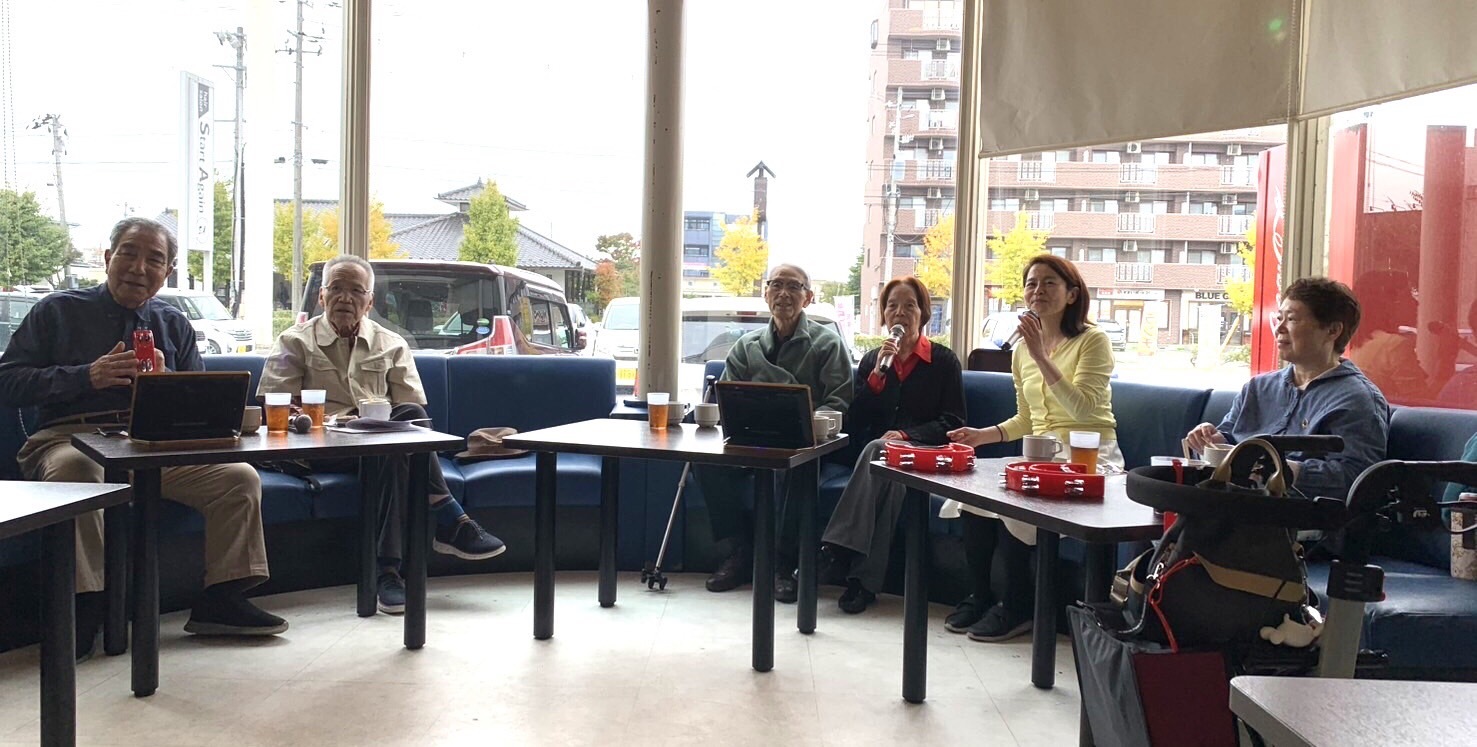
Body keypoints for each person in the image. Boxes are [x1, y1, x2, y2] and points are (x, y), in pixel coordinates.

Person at [0, 217, 284, 657]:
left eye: (154, 259)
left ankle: (221, 599)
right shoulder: (57, 311)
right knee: (77, 471)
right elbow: (8, 382)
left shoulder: (174, 324)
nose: (138, 267)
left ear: (166, 272)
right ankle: (83, 606)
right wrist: (87, 376)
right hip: (70, 438)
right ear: (108, 258)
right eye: (129, 253)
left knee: (238, 477)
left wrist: (171, 390)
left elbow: (202, 406)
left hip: (150, 444)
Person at [258, 254, 506, 615]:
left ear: (369, 301)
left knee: (401, 434)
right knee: (391, 448)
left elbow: (414, 415)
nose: (345, 298)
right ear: (322, 297)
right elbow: (274, 404)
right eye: (336, 289)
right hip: (321, 447)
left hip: (377, 444)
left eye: (356, 291)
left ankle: (387, 572)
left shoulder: (391, 343)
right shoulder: (294, 341)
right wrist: (312, 419)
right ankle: (449, 518)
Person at [946, 255, 1120, 642]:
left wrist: (1041, 354)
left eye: (1049, 283)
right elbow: (1027, 418)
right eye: (1031, 283)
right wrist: (982, 435)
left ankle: (1017, 607)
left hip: (1089, 454)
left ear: (1072, 294)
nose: (1037, 290)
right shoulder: (1022, 350)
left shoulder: (1093, 341)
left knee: (1016, 498)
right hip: (1041, 453)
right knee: (972, 496)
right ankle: (980, 595)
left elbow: (1083, 408)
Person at [696, 264, 854, 602]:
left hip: (806, 446)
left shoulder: (827, 344)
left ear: (808, 298)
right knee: (704, 461)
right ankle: (740, 551)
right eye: (776, 285)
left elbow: (838, 402)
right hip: (750, 441)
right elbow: (728, 398)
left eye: (794, 286)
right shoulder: (746, 346)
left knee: (791, 465)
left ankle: (783, 562)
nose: (784, 293)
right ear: (765, 293)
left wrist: (808, 424)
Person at [821, 276, 964, 613]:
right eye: (892, 306)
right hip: (886, 464)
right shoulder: (874, 360)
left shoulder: (943, 361)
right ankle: (863, 584)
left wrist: (906, 436)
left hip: (925, 453)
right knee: (891, 479)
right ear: (884, 315)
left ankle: (836, 549)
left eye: (909, 306)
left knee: (879, 449)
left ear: (923, 313)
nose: (900, 313)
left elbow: (954, 422)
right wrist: (875, 380)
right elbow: (854, 422)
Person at [1186, 277, 1390, 504]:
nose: (1279, 329)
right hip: (1232, 506)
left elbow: (1358, 479)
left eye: (1291, 319)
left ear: (1332, 330)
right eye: (1279, 318)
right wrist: (1212, 441)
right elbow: (1229, 440)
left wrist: (1287, 470)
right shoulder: (1258, 388)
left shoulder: (1356, 399)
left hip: (1296, 517)